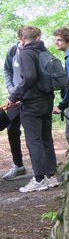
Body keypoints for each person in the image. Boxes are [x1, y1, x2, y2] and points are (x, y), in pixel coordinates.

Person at [8, 26, 58, 193]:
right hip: (47, 100)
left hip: (31, 103)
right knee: (46, 139)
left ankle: (38, 179)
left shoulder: (26, 53)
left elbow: (29, 77)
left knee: (34, 141)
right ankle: (51, 177)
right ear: (38, 37)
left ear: (22, 39)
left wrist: (14, 96)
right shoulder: (44, 52)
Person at [1, 28, 27, 180]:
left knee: (34, 132)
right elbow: (7, 70)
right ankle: (18, 165)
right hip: (14, 97)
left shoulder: (36, 51)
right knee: (11, 128)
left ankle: (43, 168)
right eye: (23, 38)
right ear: (19, 38)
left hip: (31, 98)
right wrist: (12, 90)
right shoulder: (13, 50)